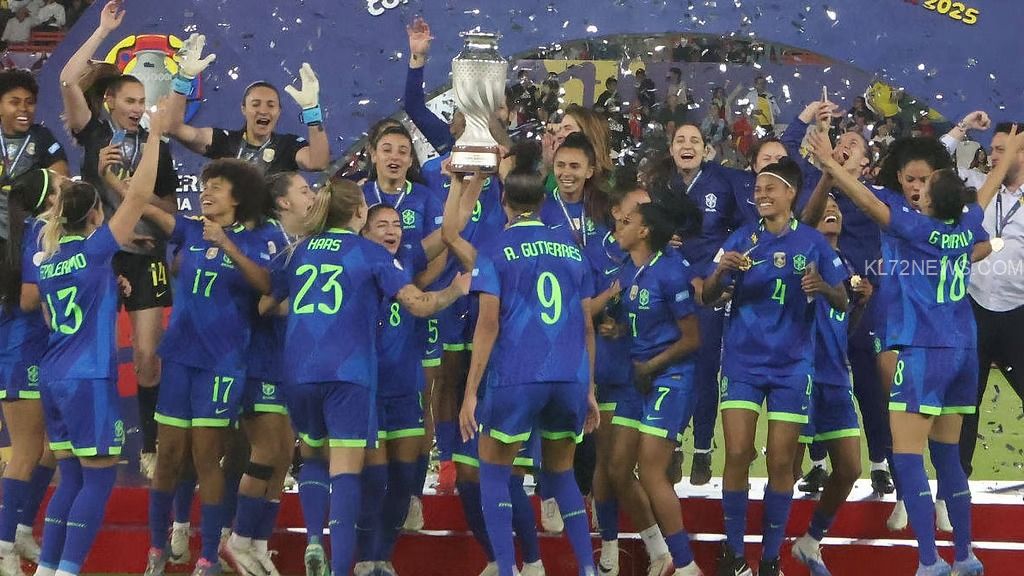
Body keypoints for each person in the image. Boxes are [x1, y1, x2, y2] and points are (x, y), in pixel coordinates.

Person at [808, 128, 988, 576]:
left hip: (916, 338)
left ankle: (929, 551)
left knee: (910, 442)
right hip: (930, 335)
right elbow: (977, 233)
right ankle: (953, 543)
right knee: (923, 439)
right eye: (910, 179)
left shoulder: (922, 218)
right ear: (899, 177)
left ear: (937, 182)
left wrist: (831, 164)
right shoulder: (930, 211)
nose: (916, 187)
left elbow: (981, 242)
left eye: (924, 180)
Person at [269, 178, 469, 576]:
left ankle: (314, 539)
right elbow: (418, 303)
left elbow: (267, 302)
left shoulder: (297, 250)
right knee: (346, 471)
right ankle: (342, 567)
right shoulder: (370, 253)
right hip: (348, 373)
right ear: (360, 213)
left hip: (298, 370)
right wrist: (455, 291)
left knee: (313, 455)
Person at [28, 98, 163, 576]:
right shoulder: (94, 251)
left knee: (69, 480)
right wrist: (155, 136)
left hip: (54, 375)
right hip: (89, 377)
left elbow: (50, 316)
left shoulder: (47, 260)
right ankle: (66, 571)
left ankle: (48, 569)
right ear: (94, 216)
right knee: (100, 481)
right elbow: (139, 196)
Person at [457, 145, 600, 576]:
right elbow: (586, 324)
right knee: (561, 475)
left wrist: (470, 393)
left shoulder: (495, 249)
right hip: (569, 376)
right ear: (541, 202)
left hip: (518, 375)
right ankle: (588, 569)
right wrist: (589, 389)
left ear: (504, 200)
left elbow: (487, 325)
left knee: (493, 472)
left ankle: (507, 569)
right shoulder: (572, 249)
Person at [703, 158, 848, 576]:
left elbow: (842, 299)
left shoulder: (812, 242)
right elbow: (708, 297)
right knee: (737, 452)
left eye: (770, 188)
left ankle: (769, 559)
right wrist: (721, 272)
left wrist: (822, 287)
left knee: (782, 463)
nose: (761, 195)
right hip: (742, 363)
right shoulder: (741, 240)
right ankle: (734, 555)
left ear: (790, 193)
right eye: (758, 189)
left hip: (792, 366)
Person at [59, 0, 180, 478]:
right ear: (110, 101)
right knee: (96, 355)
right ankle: (85, 440)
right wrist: (102, 30)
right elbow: (68, 81)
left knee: (148, 358)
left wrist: (134, 198)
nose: (136, 108)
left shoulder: (156, 148)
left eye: (141, 101)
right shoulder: (91, 134)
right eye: (129, 100)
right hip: (98, 261)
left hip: (145, 258)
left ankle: (149, 445)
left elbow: (170, 210)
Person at [141, 159, 272, 576]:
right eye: (204, 185)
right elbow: (144, 205)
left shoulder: (254, 239)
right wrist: (114, 179)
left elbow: (267, 286)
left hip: (222, 362)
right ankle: (157, 549)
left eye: (216, 186)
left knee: (206, 457)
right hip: (180, 356)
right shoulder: (189, 230)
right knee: (168, 457)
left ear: (238, 196)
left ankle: (208, 555)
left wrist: (227, 244)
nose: (206, 192)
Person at [353, 171, 483, 576]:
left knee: (403, 476)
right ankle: (362, 557)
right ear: (363, 232)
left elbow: (450, 230)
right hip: (367, 388)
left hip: (405, 386)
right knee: (374, 477)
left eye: (396, 224)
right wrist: (454, 291)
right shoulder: (354, 261)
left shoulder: (407, 257)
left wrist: (466, 183)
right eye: (381, 225)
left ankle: (381, 556)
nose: (392, 230)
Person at [781, 100, 893, 496]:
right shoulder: (816, 184)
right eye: (841, 141)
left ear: (866, 163)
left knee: (868, 386)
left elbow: (889, 241)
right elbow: (786, 154)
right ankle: (818, 464)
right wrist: (808, 116)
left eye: (854, 144)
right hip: (817, 302)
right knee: (813, 380)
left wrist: (874, 283)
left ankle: (879, 464)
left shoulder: (874, 198)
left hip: (861, 303)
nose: (845, 146)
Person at [217, 171, 317, 576]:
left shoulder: (301, 241)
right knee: (266, 451)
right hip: (259, 361)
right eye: (305, 190)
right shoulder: (269, 240)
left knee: (283, 455)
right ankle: (237, 539)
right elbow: (262, 304)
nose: (313, 196)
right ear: (283, 202)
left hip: (288, 361)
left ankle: (258, 542)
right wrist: (308, 307)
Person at [586, 176, 676, 576]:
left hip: (651, 374)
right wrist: (610, 305)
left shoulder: (661, 255)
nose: (644, 219)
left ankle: (662, 550)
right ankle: (612, 546)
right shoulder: (595, 251)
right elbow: (582, 309)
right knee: (609, 466)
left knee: (636, 468)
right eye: (637, 211)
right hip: (611, 371)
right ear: (617, 213)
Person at [643, 123, 739, 486]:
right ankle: (672, 445)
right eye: (680, 140)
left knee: (705, 370)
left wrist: (721, 265)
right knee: (671, 367)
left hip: (708, 287)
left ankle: (702, 449)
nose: (687, 145)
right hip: (669, 285)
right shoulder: (658, 185)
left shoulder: (722, 182)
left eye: (694, 140)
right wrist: (661, 239)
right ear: (671, 149)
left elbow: (741, 227)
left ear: (706, 149)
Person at [614, 197, 703, 576]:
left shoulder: (670, 272)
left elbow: (692, 338)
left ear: (644, 231)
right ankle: (659, 551)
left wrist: (651, 366)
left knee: (651, 470)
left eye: (626, 222)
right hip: (638, 377)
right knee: (618, 469)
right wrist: (617, 328)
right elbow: (643, 321)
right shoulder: (630, 270)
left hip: (669, 377)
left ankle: (686, 565)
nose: (618, 227)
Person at [790, 185, 873, 575]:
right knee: (788, 470)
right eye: (824, 204)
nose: (832, 209)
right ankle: (766, 553)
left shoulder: (847, 266)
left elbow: (843, 326)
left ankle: (810, 541)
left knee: (850, 468)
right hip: (802, 373)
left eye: (837, 205)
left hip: (837, 377)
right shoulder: (802, 255)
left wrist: (861, 304)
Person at [941, 119, 1024, 478]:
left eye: (1002, 150)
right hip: (972, 308)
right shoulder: (975, 185)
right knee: (964, 402)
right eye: (992, 149)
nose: (992, 156)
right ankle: (955, 488)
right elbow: (929, 163)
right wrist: (961, 128)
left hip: (1019, 313)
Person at [0, 169, 61, 573]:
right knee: (26, 450)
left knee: (52, 449)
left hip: (37, 351)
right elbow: (26, 299)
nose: (66, 189)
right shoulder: (38, 232)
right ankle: (4, 546)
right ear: (46, 200)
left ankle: (22, 530)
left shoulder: (33, 231)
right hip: (21, 353)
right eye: (59, 187)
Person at [166, 33, 330, 174]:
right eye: (255, 104)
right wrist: (184, 79)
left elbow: (318, 163)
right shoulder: (224, 141)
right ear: (243, 109)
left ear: (279, 111)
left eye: (271, 105)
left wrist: (311, 111)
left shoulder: (287, 146)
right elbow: (173, 128)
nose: (263, 110)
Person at [0, 69, 70, 243]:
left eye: (30, 102)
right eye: (14, 102)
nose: (23, 109)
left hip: (30, 234)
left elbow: (60, 181)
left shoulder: (42, 138)